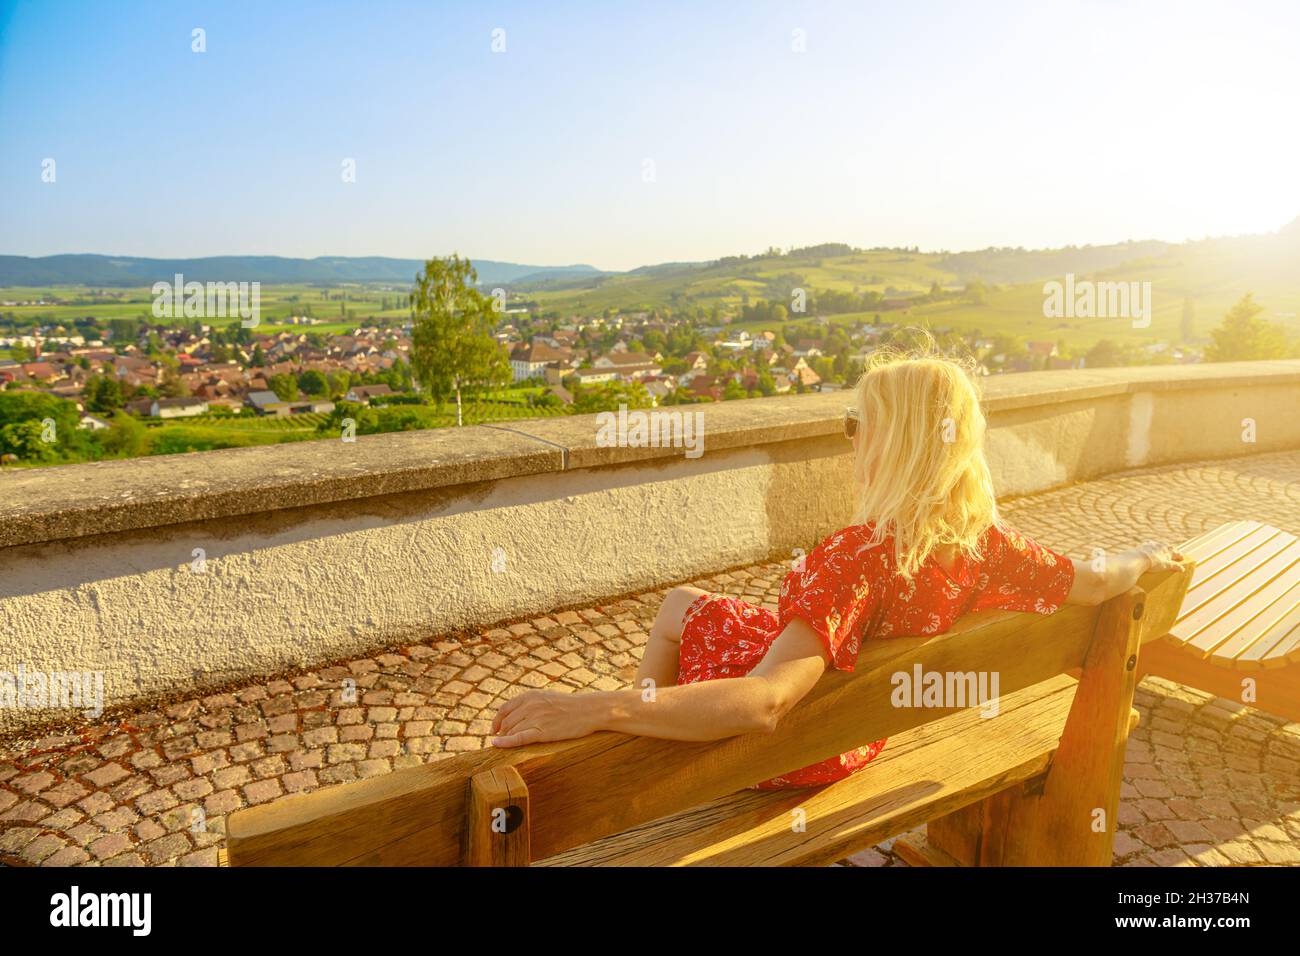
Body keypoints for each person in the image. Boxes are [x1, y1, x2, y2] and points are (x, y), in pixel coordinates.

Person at [491, 347, 1183, 788]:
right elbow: (1095, 581)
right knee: (695, 604)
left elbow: (767, 702)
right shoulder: (988, 543)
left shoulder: (856, 558)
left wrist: (593, 706)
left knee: (678, 607)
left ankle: (620, 759)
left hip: (798, 754)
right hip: (860, 736)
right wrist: (1147, 558)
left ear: (896, 444)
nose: (851, 440)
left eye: (859, 425)